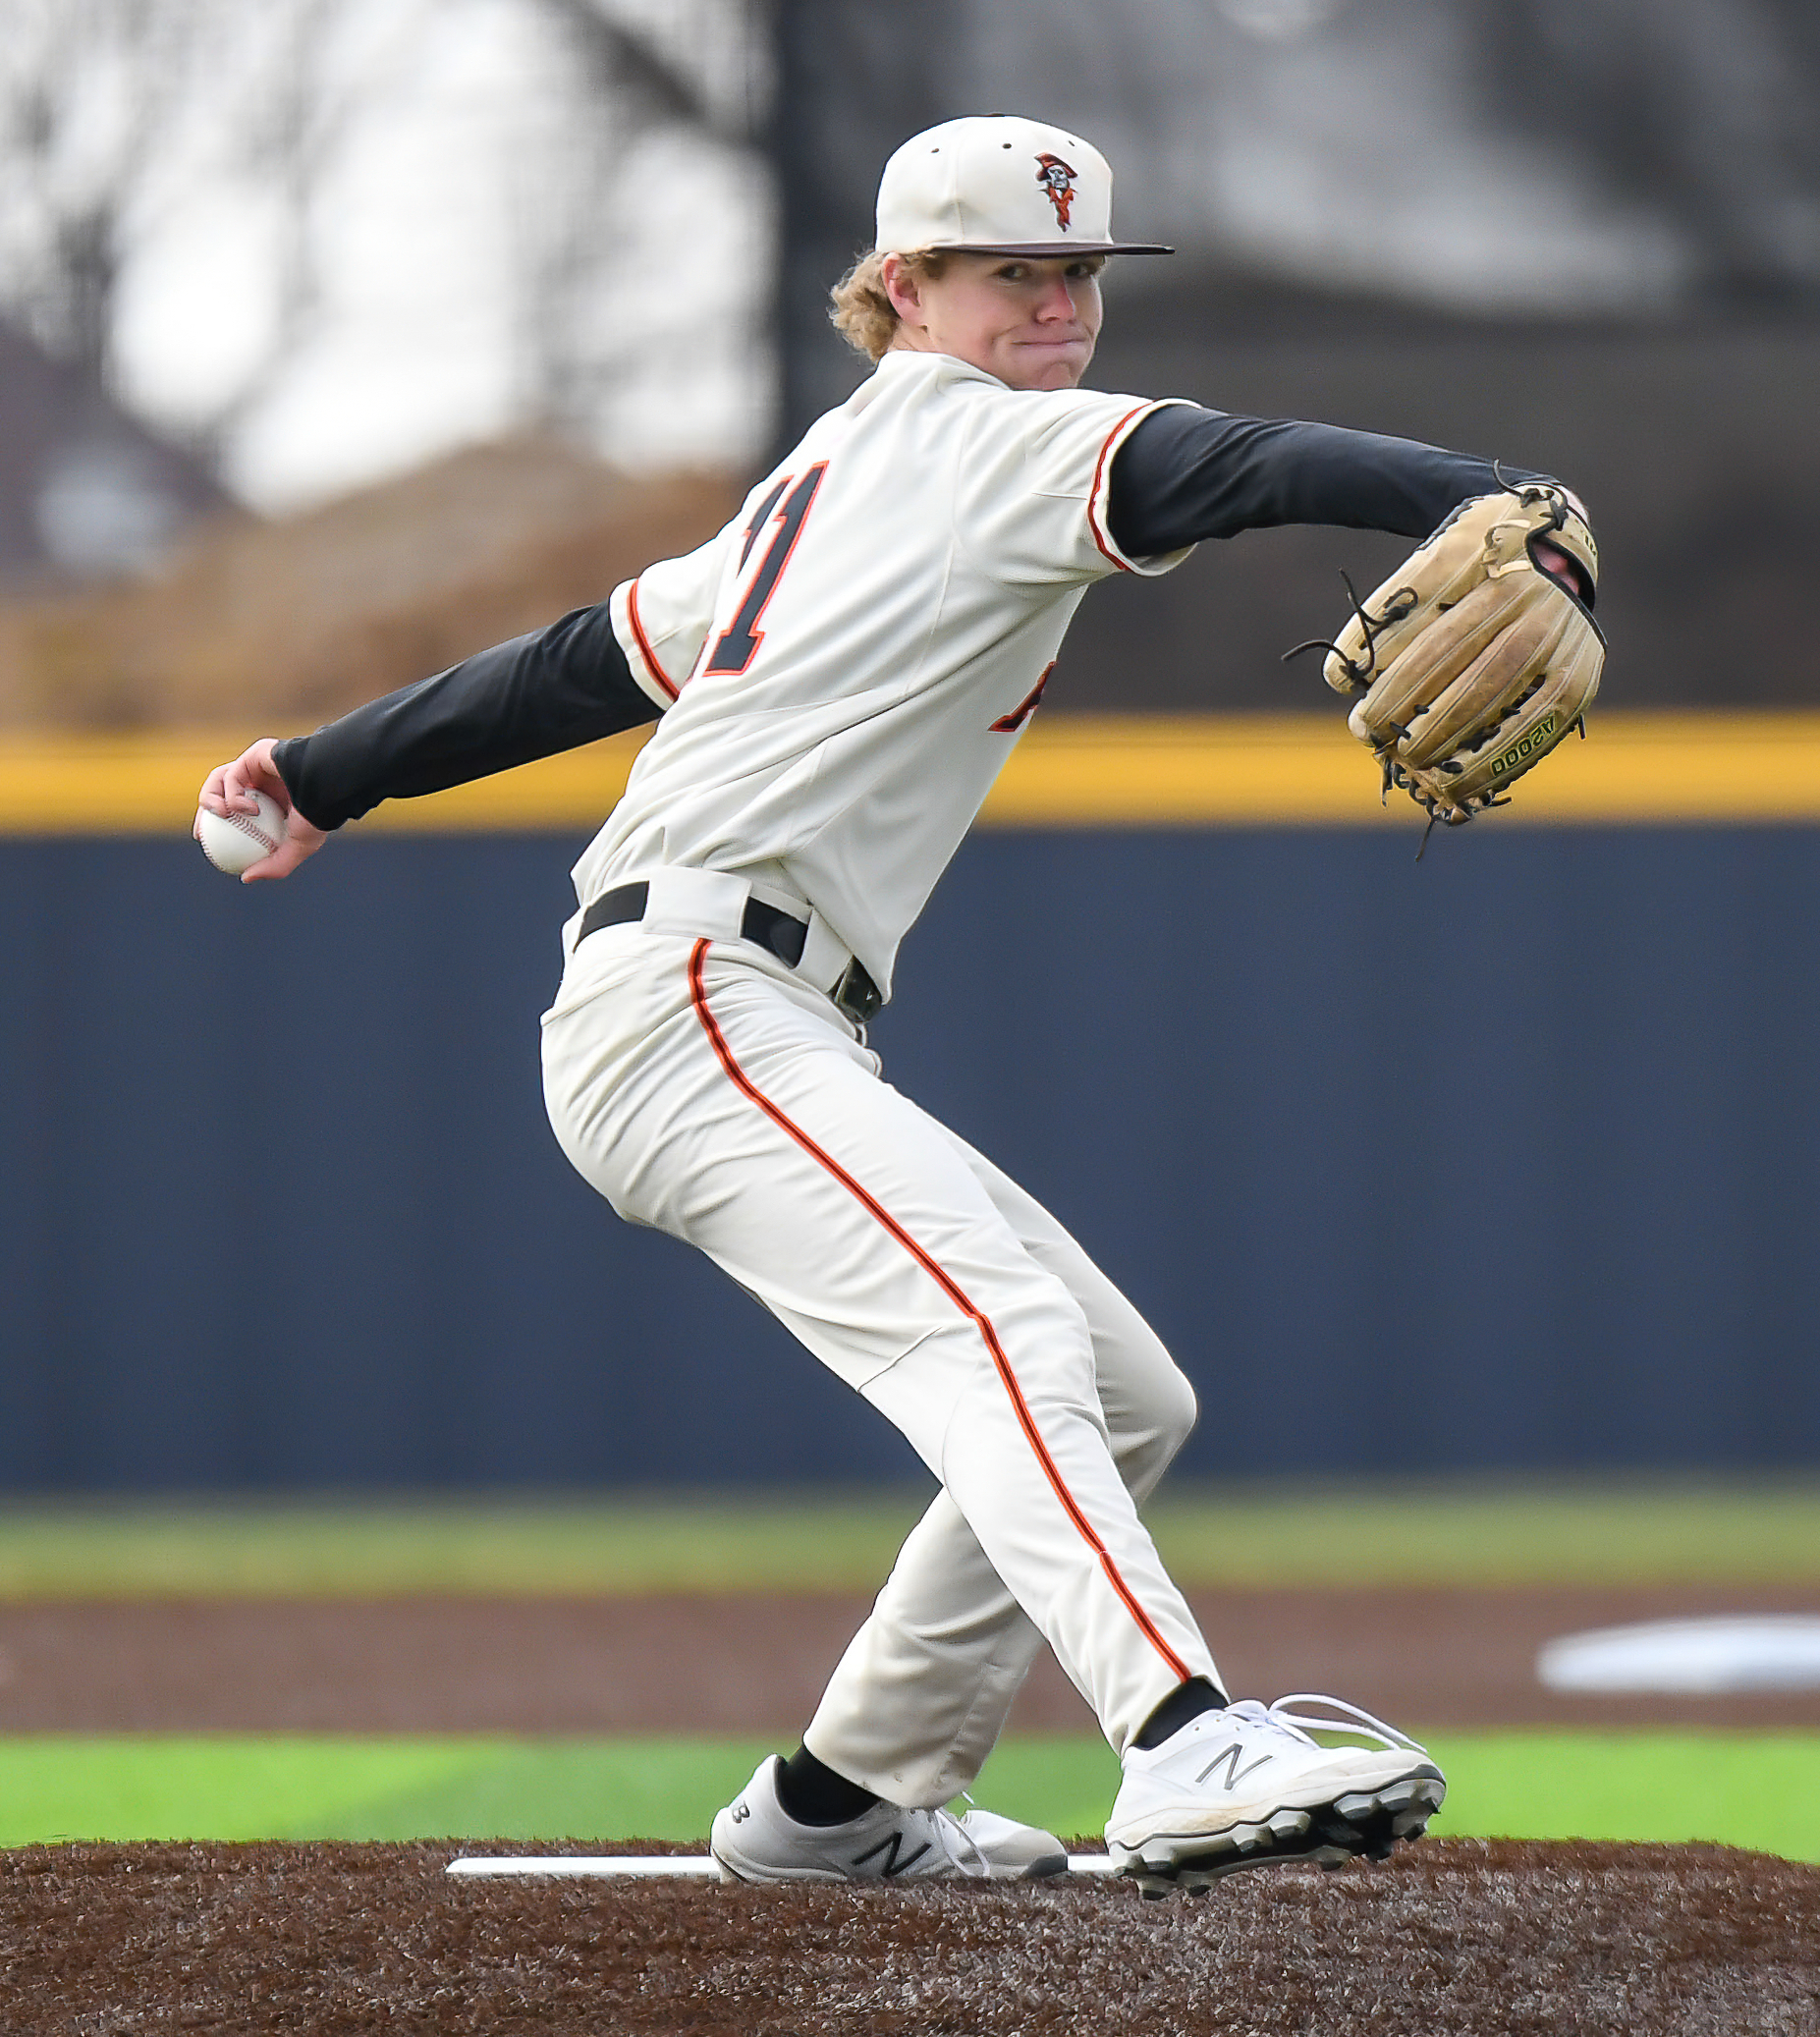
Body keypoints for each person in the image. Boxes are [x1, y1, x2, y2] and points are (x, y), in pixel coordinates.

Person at [198, 114, 1578, 1895]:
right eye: (1014, 273)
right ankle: (1180, 1741)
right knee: (999, 1328)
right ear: (904, 288)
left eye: (1077, 274)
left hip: (738, 1006)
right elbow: (1228, 462)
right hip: (692, 1002)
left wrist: (322, 773)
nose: (1058, 307)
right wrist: (1489, 497)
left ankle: (837, 1802)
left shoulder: (831, 477)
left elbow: (576, 665)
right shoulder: (974, 441)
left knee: (1125, 1392)